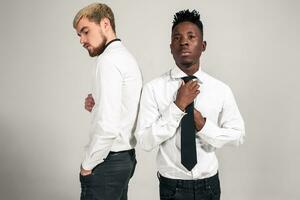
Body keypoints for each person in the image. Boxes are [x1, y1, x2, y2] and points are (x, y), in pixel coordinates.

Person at [136, 9, 245, 200]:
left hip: (209, 185)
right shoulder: (153, 89)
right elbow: (145, 141)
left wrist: (203, 125)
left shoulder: (221, 89)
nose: (184, 41)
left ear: (203, 46)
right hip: (172, 186)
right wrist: (177, 107)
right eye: (177, 38)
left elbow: (238, 135)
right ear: (171, 47)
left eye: (191, 36)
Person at [73, 3, 142, 200]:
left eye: (85, 32)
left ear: (105, 24)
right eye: (79, 35)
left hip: (107, 161)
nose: (82, 40)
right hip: (125, 157)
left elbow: (108, 127)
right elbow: (124, 108)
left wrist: (88, 164)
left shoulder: (107, 61)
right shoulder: (126, 57)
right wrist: (97, 106)